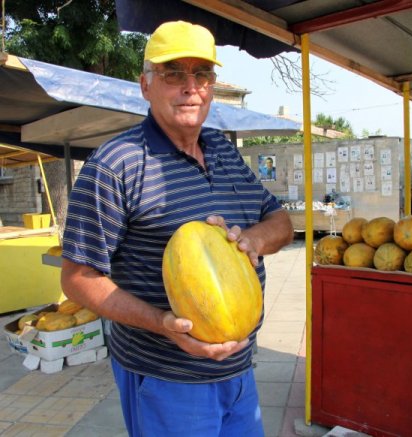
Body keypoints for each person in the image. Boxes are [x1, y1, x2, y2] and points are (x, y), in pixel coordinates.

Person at [60, 21, 294, 436]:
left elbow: (281, 222)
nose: (191, 87)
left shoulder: (223, 148)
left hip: (239, 372)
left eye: (201, 74)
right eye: (173, 74)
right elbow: (78, 279)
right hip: (167, 380)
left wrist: (252, 240)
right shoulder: (116, 164)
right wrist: (161, 322)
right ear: (145, 85)